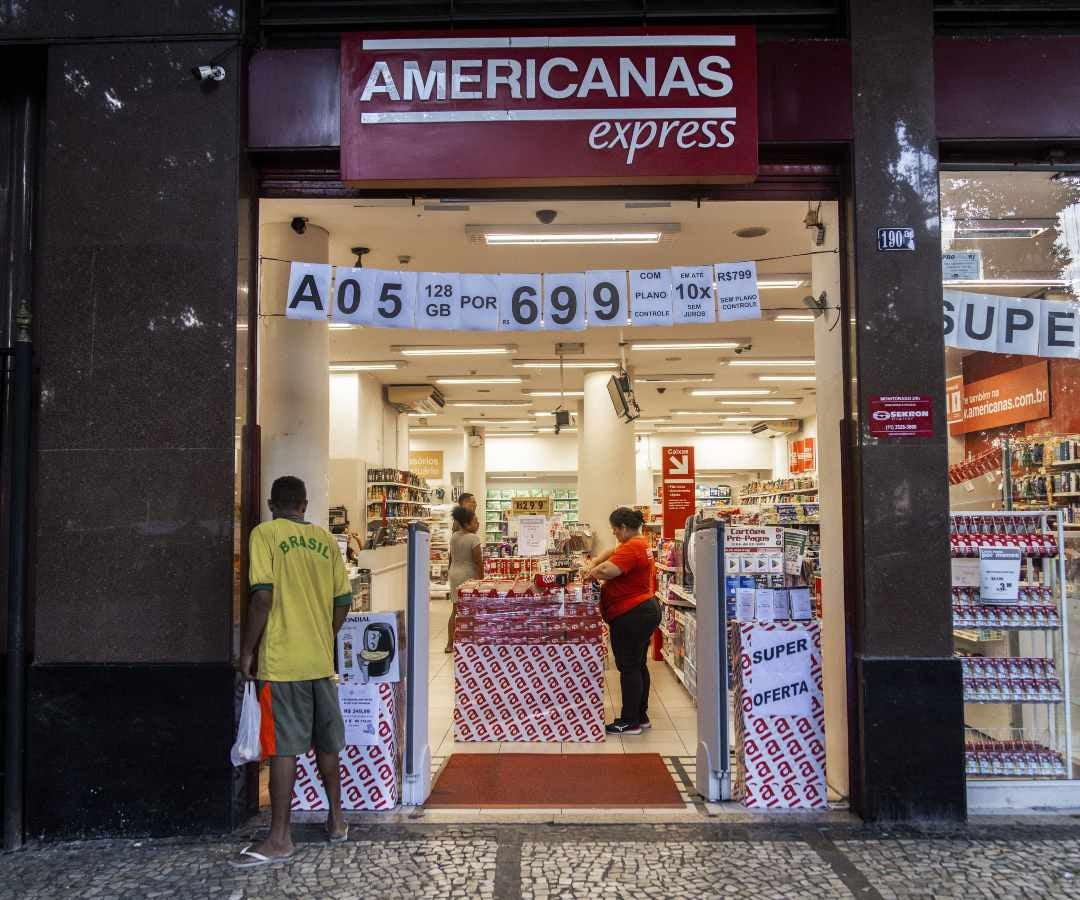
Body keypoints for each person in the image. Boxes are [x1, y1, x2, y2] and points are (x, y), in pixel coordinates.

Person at [233, 475, 353, 867]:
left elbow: (262, 598)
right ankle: (337, 821)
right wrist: (325, 636)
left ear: (272, 503)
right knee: (327, 743)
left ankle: (280, 837)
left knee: (284, 749)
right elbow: (343, 600)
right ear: (305, 504)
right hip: (320, 662)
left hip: (282, 662)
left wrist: (247, 650)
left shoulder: (264, 534)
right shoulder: (324, 540)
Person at [582, 507, 661, 736]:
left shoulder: (633, 547)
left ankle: (629, 721)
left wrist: (592, 570)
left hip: (631, 613)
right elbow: (612, 552)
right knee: (637, 665)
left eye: (615, 530)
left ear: (624, 528)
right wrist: (596, 560)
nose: (614, 533)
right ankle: (640, 716)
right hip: (642, 609)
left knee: (628, 667)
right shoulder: (639, 543)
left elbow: (608, 570)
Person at [446, 504, 483, 653]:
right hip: (468, 575)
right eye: (475, 521)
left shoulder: (454, 537)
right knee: (472, 610)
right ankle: (470, 641)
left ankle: (450, 644)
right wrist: (482, 579)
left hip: (454, 573)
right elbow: (478, 561)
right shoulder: (474, 538)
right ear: (467, 524)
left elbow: (451, 557)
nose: (478, 523)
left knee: (455, 610)